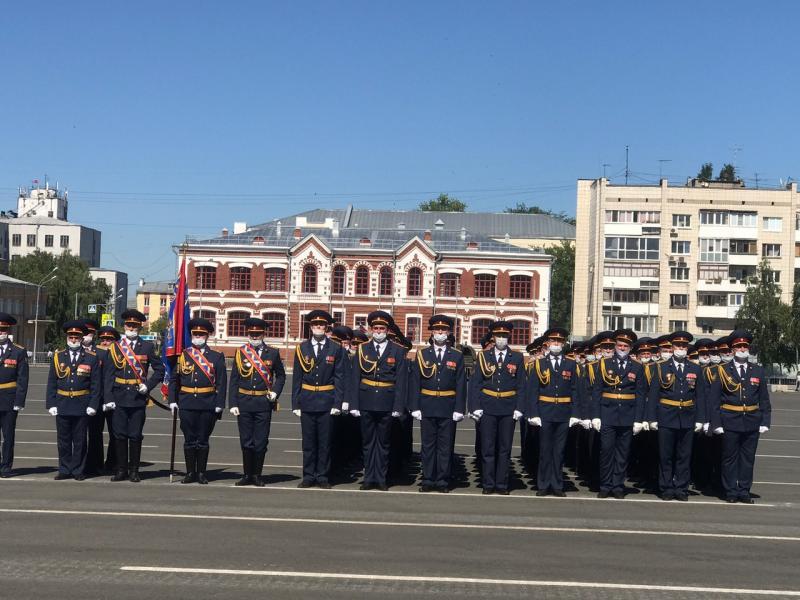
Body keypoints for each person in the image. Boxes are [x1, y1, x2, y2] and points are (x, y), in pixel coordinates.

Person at [709, 330, 771, 503]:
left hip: (751, 420)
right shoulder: (722, 370)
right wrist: (716, 423)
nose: (743, 349)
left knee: (748, 459)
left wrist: (765, 420)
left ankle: (743, 490)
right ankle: (730, 491)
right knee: (729, 458)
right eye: (738, 346)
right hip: (730, 419)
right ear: (733, 350)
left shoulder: (757, 370)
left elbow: (764, 398)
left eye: (745, 346)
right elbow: (714, 400)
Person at [103, 309, 164, 482]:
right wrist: (108, 398)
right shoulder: (115, 348)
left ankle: (134, 471)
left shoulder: (147, 346)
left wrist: (149, 386)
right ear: (124, 326)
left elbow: (160, 370)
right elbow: (108, 375)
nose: (132, 328)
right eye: (129, 325)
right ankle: (121, 470)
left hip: (138, 398)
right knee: (119, 435)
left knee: (135, 435)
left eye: (135, 325)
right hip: (119, 396)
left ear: (140, 328)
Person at [349, 311, 408, 491]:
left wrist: (399, 406)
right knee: (367, 443)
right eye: (375, 328)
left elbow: (401, 381)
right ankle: (369, 478)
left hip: (387, 401)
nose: (379, 331)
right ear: (371, 329)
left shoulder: (397, 350)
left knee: (383, 443)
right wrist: (354, 404)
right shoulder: (363, 349)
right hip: (366, 399)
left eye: (382, 328)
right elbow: (355, 378)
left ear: (388, 330)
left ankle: (381, 478)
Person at [408, 315, 466, 493]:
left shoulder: (456, 355)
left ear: (448, 333)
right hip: (427, 404)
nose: (440, 333)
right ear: (432, 333)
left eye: (443, 330)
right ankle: (427, 478)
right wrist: (415, 406)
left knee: (445, 446)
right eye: (437, 330)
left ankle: (442, 480)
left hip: (448, 405)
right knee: (427, 445)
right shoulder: (422, 354)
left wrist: (459, 409)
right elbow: (415, 382)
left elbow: (461, 384)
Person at [468, 321, 526, 495]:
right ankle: (488, 483)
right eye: (499, 336)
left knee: (504, 448)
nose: (501, 339)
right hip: (488, 407)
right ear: (493, 337)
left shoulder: (516, 357)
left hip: (508, 407)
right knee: (487, 447)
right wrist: (475, 406)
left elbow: (521, 385)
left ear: (509, 337)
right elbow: (476, 383)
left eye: (505, 336)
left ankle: (501, 484)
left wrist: (519, 407)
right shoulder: (483, 357)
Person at [168, 318, 227, 484]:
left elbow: (222, 383)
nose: (199, 336)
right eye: (196, 334)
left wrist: (219, 404)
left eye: (202, 334)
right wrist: (172, 400)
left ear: (207, 336)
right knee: (189, 439)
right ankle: (190, 473)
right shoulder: (182, 356)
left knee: (203, 439)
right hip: (186, 403)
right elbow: (174, 380)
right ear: (192, 335)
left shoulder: (216, 357)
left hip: (207, 403)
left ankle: (201, 473)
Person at [647, 331, 705, 501]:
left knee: (684, 456)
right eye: (678, 345)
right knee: (666, 455)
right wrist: (651, 418)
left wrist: (701, 419)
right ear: (672, 347)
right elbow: (654, 395)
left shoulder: (695, 368)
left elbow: (700, 396)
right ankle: (665, 488)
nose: (681, 348)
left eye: (684, 346)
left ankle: (681, 488)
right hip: (666, 416)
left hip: (687, 416)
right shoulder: (661, 367)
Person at [228, 317, 285, 486]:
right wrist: (233, 403)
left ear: (263, 333)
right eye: (252, 333)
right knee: (246, 440)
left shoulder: (273, 353)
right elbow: (234, 380)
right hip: (244, 401)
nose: (254, 336)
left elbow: (281, 376)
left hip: (263, 402)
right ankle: (247, 475)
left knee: (260, 441)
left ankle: (257, 475)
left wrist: (275, 392)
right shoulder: (240, 352)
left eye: (257, 333)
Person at [291, 310, 345, 489]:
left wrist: (338, 402)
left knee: (324, 442)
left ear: (327, 327)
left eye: (321, 325)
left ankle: (322, 476)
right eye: (315, 325)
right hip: (307, 399)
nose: (318, 327)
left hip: (327, 400)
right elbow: (297, 378)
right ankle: (308, 476)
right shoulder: (302, 348)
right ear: (311, 327)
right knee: (308, 442)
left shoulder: (335, 348)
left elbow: (339, 377)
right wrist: (295, 403)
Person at [591, 328, 647, 499]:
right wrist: (596, 415)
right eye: (620, 345)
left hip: (628, 415)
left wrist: (638, 419)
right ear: (615, 346)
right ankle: (605, 485)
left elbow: (640, 394)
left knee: (622, 454)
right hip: (608, 413)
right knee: (606, 451)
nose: (622, 348)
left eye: (626, 346)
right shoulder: (604, 364)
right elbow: (597, 392)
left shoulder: (637, 367)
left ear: (631, 348)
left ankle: (618, 486)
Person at [527, 327, 580, 497]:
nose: (556, 344)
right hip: (545, 411)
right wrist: (533, 413)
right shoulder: (539, 364)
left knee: (559, 450)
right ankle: (543, 484)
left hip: (564, 412)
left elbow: (575, 391)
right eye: (553, 341)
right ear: (547, 343)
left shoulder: (571, 364)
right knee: (544, 450)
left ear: (563, 344)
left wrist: (575, 414)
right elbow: (533, 390)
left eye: (559, 341)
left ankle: (557, 484)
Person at [46, 321, 101, 480]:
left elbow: (96, 384)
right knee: (63, 440)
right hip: (62, 402)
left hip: (82, 403)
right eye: (71, 336)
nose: (74, 339)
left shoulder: (91, 357)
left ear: (82, 338)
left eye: (77, 336)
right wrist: (51, 403)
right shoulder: (58, 356)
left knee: (80, 440)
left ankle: (77, 470)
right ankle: (64, 469)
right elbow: (52, 382)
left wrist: (93, 404)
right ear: (67, 337)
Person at [86, 325, 120, 475]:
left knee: (116, 433)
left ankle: (112, 462)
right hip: (98, 399)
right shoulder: (95, 353)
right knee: (95, 433)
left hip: (116, 398)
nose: (106, 342)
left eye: (110, 339)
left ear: (115, 341)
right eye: (103, 339)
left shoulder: (122, 354)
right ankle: (95, 463)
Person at [0, 313, 29, 478]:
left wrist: (20, 401)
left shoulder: (18, 351)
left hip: (9, 399)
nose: (0, 332)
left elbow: (23, 378)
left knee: (8, 436)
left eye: (3, 329)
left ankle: (6, 467)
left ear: (8, 330)